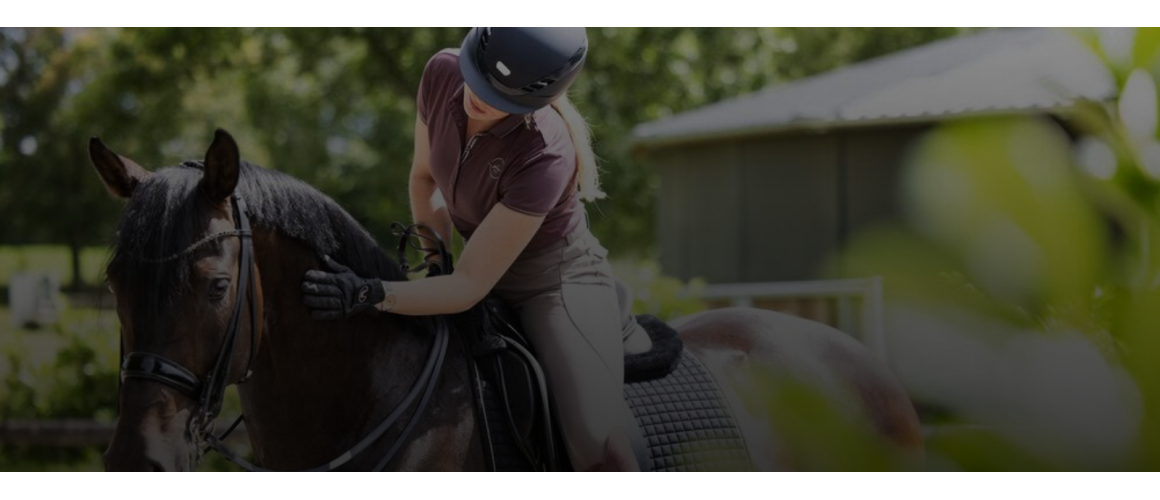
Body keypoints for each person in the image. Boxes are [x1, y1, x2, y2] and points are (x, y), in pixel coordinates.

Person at [301, 27, 651, 472]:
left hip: (555, 282)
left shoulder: (546, 153)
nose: (478, 96)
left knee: (596, 443)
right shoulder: (442, 72)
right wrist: (434, 261)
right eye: (478, 77)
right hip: (473, 264)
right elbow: (424, 179)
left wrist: (370, 293)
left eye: (500, 95)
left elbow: (468, 287)